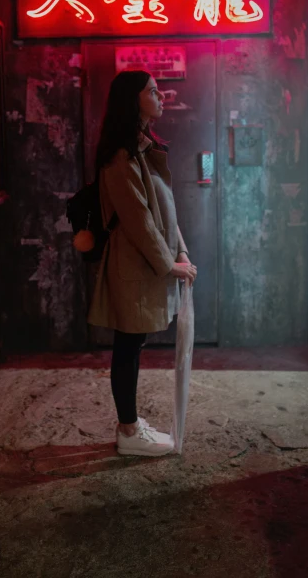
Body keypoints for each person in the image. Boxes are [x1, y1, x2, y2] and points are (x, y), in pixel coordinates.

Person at [88, 70, 197, 457]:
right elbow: (138, 220)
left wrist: (180, 251)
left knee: (133, 345)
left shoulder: (142, 147)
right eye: (152, 91)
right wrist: (170, 265)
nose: (161, 96)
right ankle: (129, 430)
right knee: (128, 346)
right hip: (133, 265)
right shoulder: (121, 156)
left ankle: (130, 424)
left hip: (146, 263)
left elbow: (166, 211)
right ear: (132, 100)